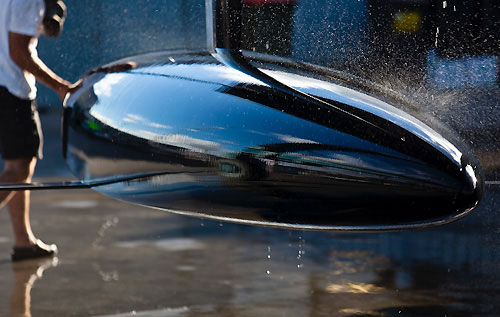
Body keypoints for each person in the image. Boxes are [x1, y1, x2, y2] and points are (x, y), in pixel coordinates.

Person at [0, 0, 78, 261]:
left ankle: (23, 241)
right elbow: (18, 52)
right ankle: (23, 241)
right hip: (10, 88)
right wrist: (60, 86)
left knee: (17, 165)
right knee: (19, 169)